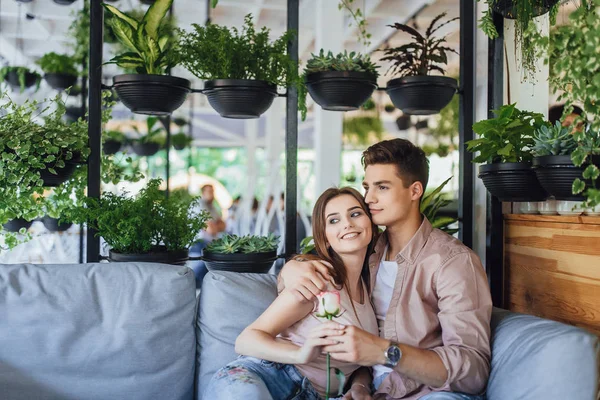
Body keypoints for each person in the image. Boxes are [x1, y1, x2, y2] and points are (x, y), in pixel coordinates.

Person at [278, 139, 492, 400]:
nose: (369, 198)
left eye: (382, 187)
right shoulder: (367, 250)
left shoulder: (452, 262)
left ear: (414, 191)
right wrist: (291, 268)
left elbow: (473, 370)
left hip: (426, 393)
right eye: (367, 187)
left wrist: (384, 352)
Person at [204, 187, 380, 400]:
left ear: (371, 223)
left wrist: (360, 386)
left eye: (355, 214)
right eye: (334, 220)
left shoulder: (371, 290)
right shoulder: (316, 280)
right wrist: (301, 353)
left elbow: (360, 363)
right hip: (267, 377)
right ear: (324, 238)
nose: (347, 224)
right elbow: (246, 340)